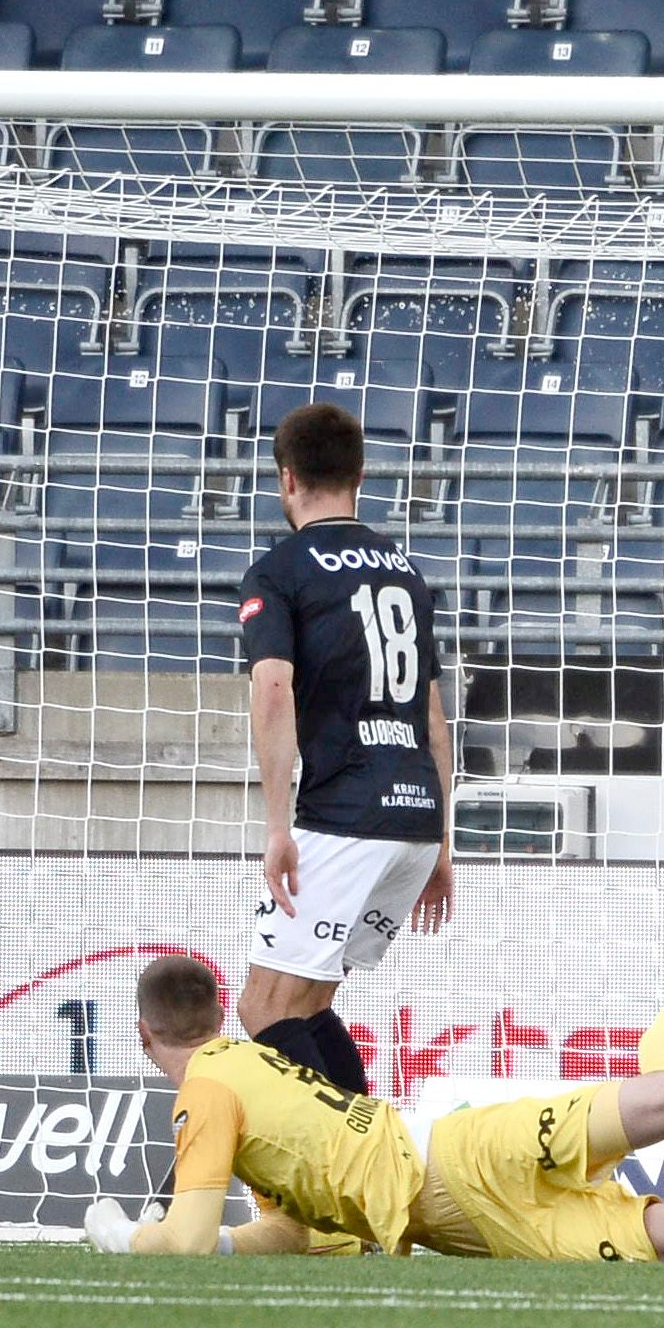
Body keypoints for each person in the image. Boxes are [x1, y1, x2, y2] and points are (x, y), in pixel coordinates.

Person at [99, 919, 664, 1264]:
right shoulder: (246, 1068)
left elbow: (183, 1241)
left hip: (457, 1152)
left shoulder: (207, 1092)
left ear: (142, 1035)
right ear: (220, 1014)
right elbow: (291, 1229)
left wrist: (117, 1232)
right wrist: (229, 1246)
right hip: (458, 1223)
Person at [231, 399, 450, 1098]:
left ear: (287, 479)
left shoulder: (281, 571)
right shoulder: (405, 571)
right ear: (359, 477)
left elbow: (273, 690)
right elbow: (435, 719)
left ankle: (349, 1156)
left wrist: (277, 829)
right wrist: (441, 844)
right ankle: (368, 1140)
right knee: (309, 1003)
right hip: (414, 821)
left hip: (343, 817)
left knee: (263, 1008)